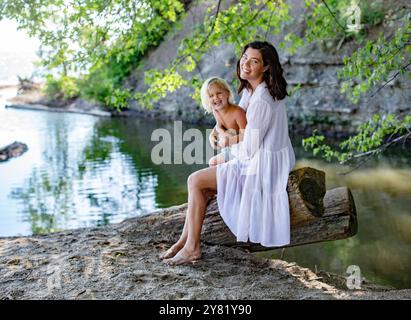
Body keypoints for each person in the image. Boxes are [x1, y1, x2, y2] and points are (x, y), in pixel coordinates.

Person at [160, 41, 296, 265]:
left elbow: (250, 147)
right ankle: (185, 241)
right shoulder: (252, 91)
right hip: (258, 155)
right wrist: (218, 130)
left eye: (254, 61)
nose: (246, 63)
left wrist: (224, 140)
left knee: (194, 180)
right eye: (244, 57)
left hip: (263, 164)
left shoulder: (262, 99)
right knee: (209, 171)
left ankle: (192, 248)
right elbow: (236, 122)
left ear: (266, 67)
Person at [200, 77, 247, 166]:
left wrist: (229, 140)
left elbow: (246, 135)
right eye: (211, 96)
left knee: (213, 163)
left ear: (227, 93)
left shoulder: (237, 112)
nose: (216, 98)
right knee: (212, 163)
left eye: (219, 93)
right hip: (229, 149)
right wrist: (213, 134)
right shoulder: (216, 111)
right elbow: (219, 124)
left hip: (241, 151)